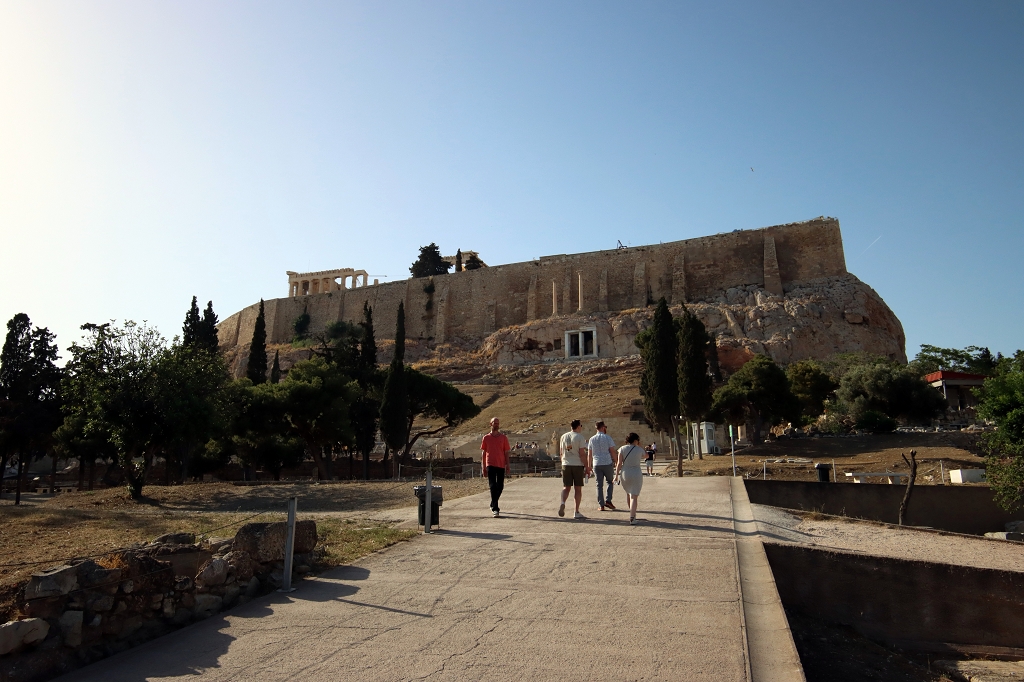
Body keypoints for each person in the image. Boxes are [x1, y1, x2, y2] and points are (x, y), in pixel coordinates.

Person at [558, 419, 590, 520]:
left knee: (566, 487)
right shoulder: (580, 437)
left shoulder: (563, 436)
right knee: (578, 489)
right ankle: (576, 511)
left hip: (566, 463)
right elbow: (582, 453)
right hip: (577, 464)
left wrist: (562, 464)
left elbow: (561, 452)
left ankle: (563, 502)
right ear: (578, 426)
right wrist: (587, 466)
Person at [480, 417, 512, 518]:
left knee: (500, 486)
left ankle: (492, 503)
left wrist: (508, 465)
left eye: (498, 423)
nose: (496, 425)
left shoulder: (503, 438)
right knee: (493, 486)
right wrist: (483, 467)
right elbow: (483, 453)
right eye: (495, 423)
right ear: (491, 424)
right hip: (490, 464)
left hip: (501, 464)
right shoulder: (486, 438)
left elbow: (506, 453)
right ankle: (495, 509)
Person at [615, 432, 645, 524]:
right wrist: (640, 446)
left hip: (625, 473)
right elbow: (646, 455)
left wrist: (616, 475)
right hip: (636, 473)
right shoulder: (639, 449)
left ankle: (632, 513)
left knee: (629, 493)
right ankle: (632, 517)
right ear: (636, 440)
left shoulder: (622, 449)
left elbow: (619, 463)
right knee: (634, 496)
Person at [587, 421, 617, 511]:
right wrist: (617, 461)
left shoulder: (592, 439)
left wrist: (589, 466)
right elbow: (612, 451)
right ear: (603, 427)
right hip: (607, 462)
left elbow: (589, 454)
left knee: (599, 485)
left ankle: (601, 504)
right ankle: (608, 500)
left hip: (596, 463)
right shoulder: (607, 438)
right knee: (610, 482)